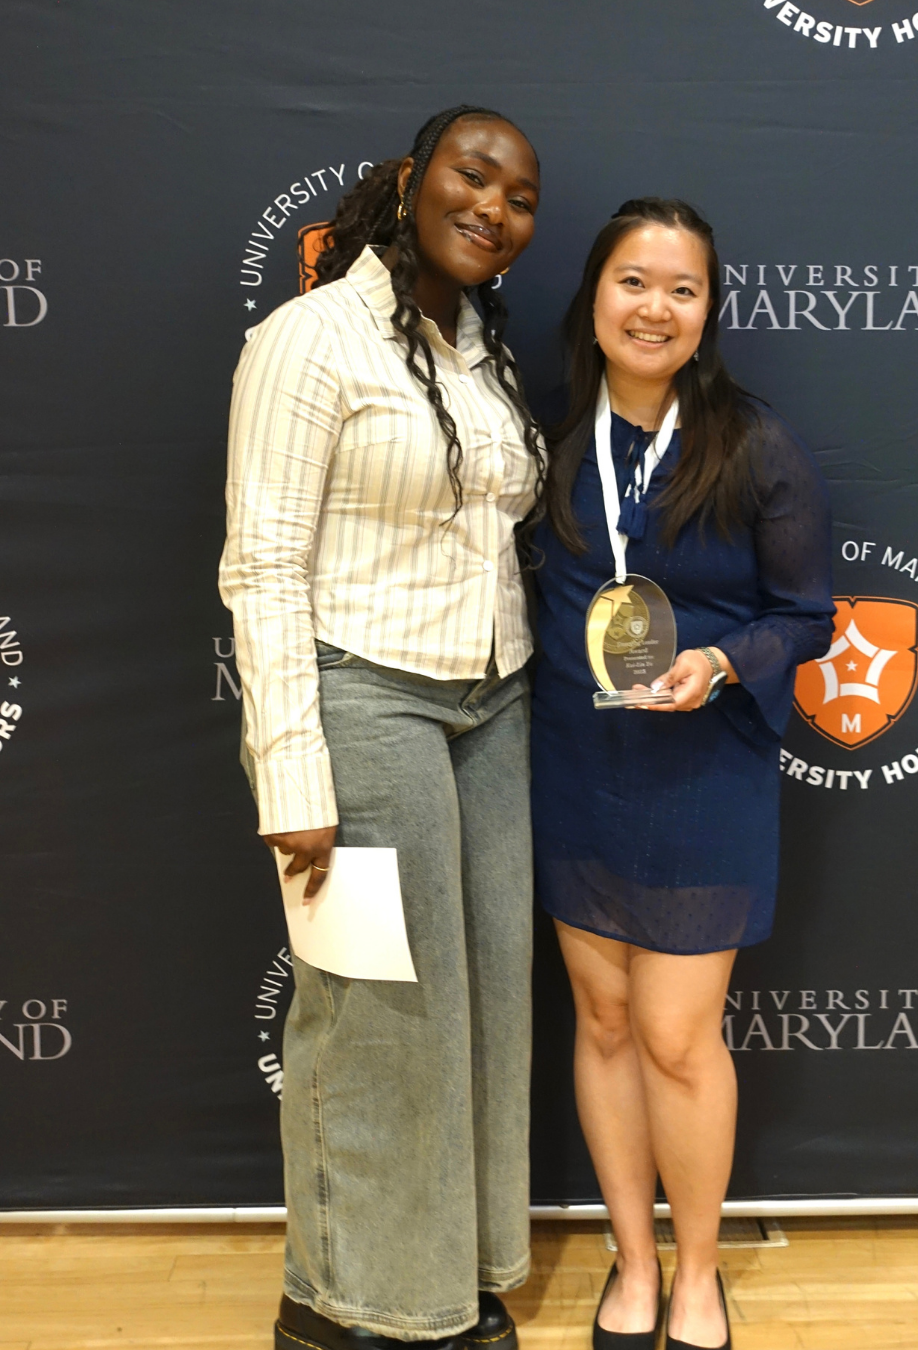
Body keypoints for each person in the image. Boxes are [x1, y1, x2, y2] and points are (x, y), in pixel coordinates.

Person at [219, 105, 543, 1350]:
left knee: (482, 1002)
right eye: (474, 175)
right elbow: (263, 565)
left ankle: (443, 1273)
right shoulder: (310, 337)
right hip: (362, 697)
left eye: (520, 198)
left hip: (493, 702)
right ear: (412, 180)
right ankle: (339, 1302)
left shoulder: (483, 351)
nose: (494, 208)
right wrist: (291, 772)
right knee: (374, 1012)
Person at [529, 199, 834, 1350]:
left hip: (705, 772)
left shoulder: (754, 445)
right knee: (605, 1022)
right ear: (594, 299)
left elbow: (806, 617)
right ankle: (633, 1263)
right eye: (633, 282)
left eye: (682, 289)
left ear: (708, 314)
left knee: (674, 1036)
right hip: (577, 767)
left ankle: (699, 1274)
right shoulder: (552, 438)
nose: (654, 308)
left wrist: (720, 661)